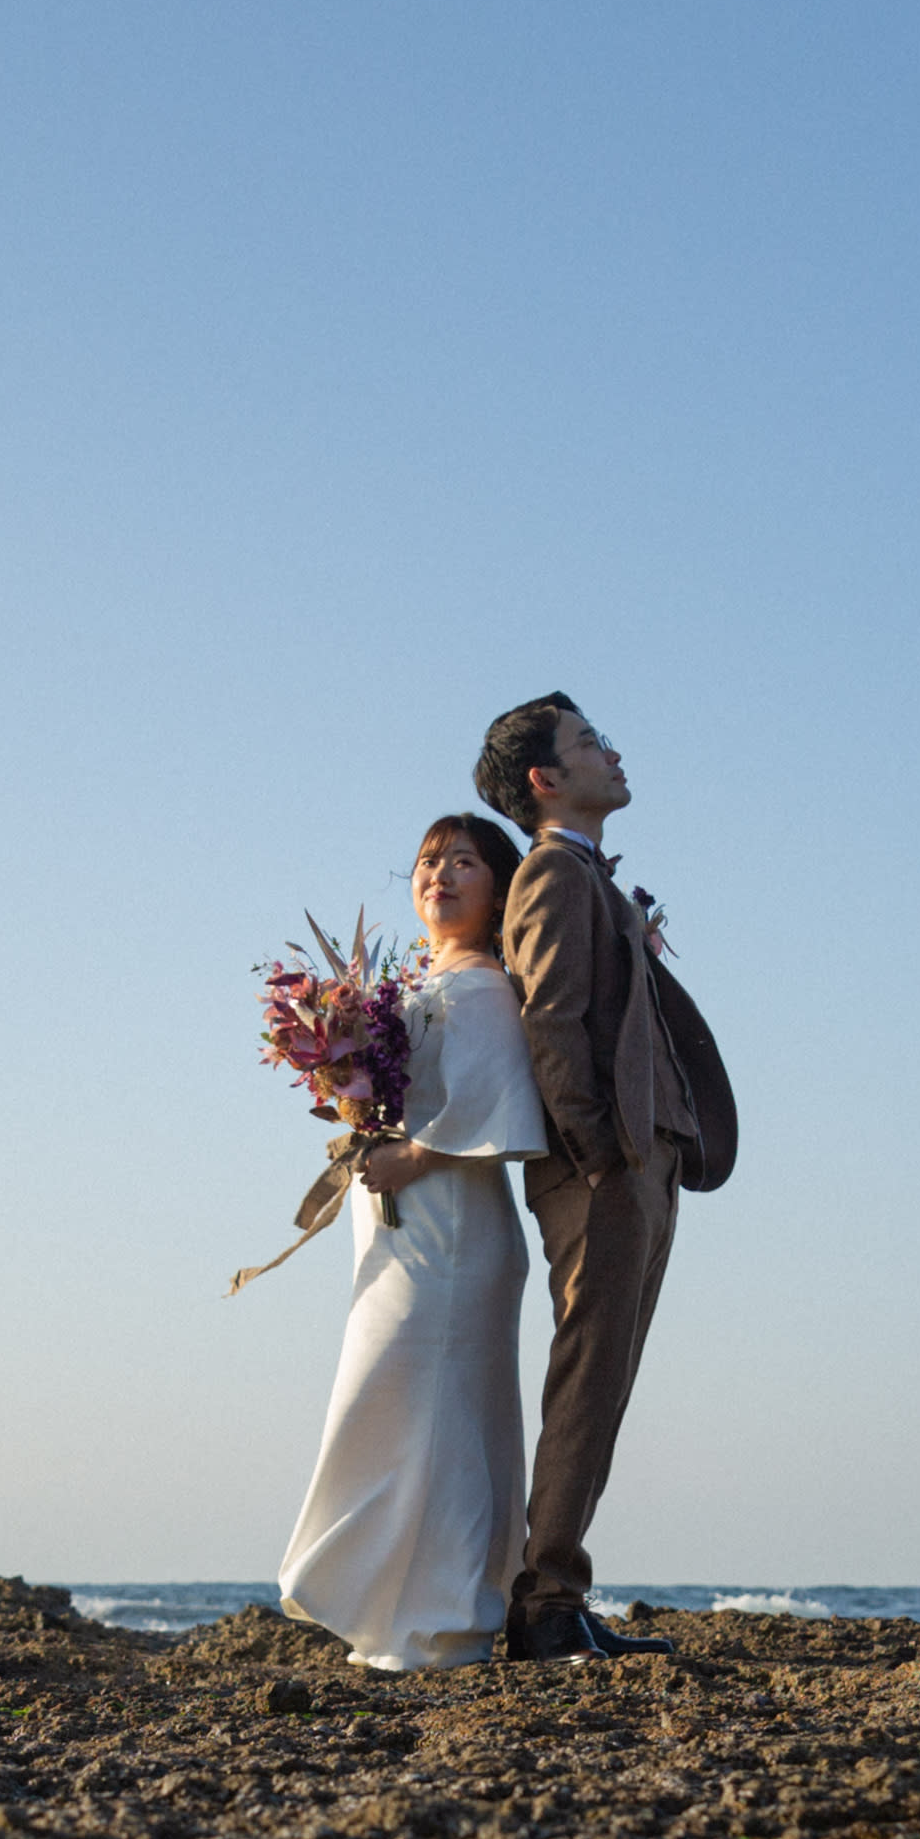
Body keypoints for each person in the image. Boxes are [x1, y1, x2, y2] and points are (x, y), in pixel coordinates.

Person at [470, 691, 728, 1662]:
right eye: (590, 742)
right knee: (587, 1380)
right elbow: (549, 1018)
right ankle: (545, 1605)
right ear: (544, 778)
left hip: (643, 1157)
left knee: (605, 1381)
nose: (612, 754)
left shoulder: (586, 876)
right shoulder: (548, 873)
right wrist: (597, 1153)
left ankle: (560, 1592)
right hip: (606, 1167)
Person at [276, 816, 552, 1667]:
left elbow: (502, 1103)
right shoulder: (413, 984)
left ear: (497, 889)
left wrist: (416, 1154)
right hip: (397, 1225)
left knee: (436, 1410)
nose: (440, 874)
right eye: (429, 861)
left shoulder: (484, 986)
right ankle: (395, 1615)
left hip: (454, 1225)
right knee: (395, 1405)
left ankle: (445, 1620)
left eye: (463, 861)